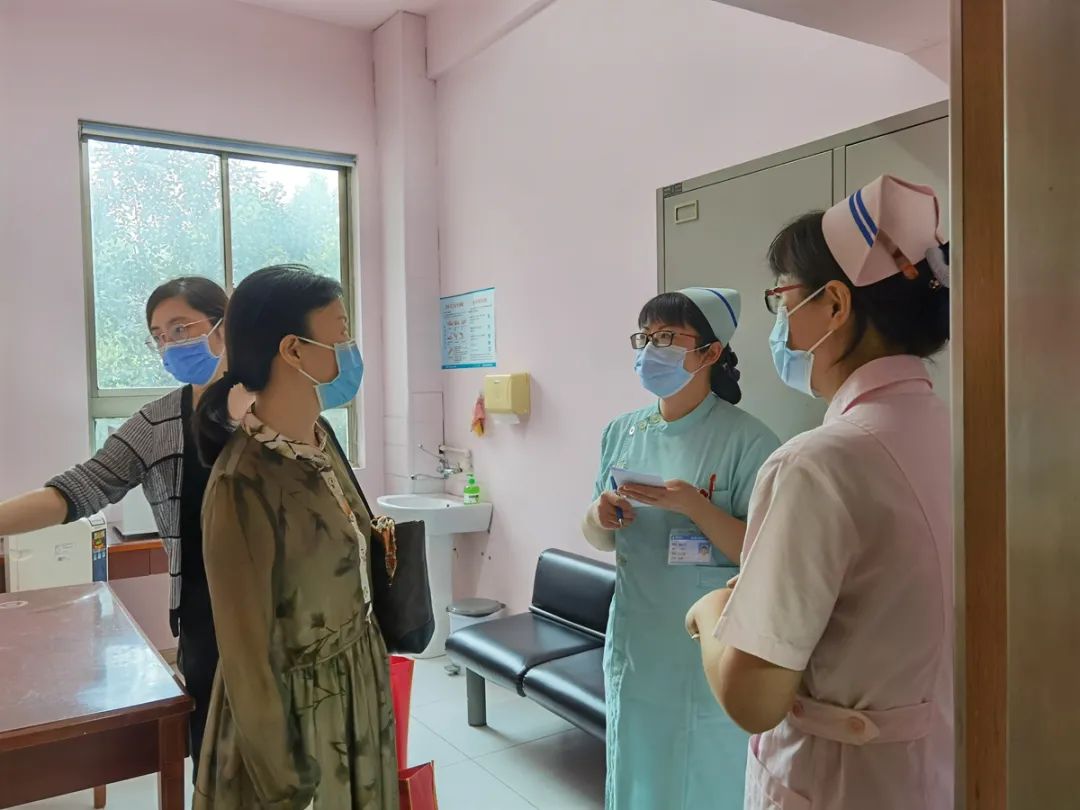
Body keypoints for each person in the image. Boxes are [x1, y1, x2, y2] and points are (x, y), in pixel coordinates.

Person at [685, 175, 953, 810]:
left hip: (838, 784)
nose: (780, 325)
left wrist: (712, 613)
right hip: (934, 772)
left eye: (782, 300)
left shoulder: (818, 463)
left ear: (835, 305)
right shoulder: (958, 433)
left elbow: (752, 699)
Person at [0, 276, 244, 777]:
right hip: (204, 617)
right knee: (216, 759)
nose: (169, 344)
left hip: (284, 613)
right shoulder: (156, 424)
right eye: (158, 336)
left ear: (223, 324)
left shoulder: (270, 410)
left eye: (181, 328)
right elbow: (77, 489)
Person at [192, 264, 396, 810]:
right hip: (295, 713)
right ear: (294, 350)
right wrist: (284, 780)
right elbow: (245, 656)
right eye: (342, 331)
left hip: (355, 682)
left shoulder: (320, 440)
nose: (351, 349)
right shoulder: (242, 483)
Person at [582, 287, 780, 810]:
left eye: (668, 337)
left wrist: (695, 505)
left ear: (711, 353)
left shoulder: (751, 442)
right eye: (645, 337)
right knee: (636, 770)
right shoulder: (623, 432)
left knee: (703, 775)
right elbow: (599, 538)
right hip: (636, 643)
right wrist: (599, 515)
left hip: (706, 646)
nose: (651, 349)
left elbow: (764, 556)